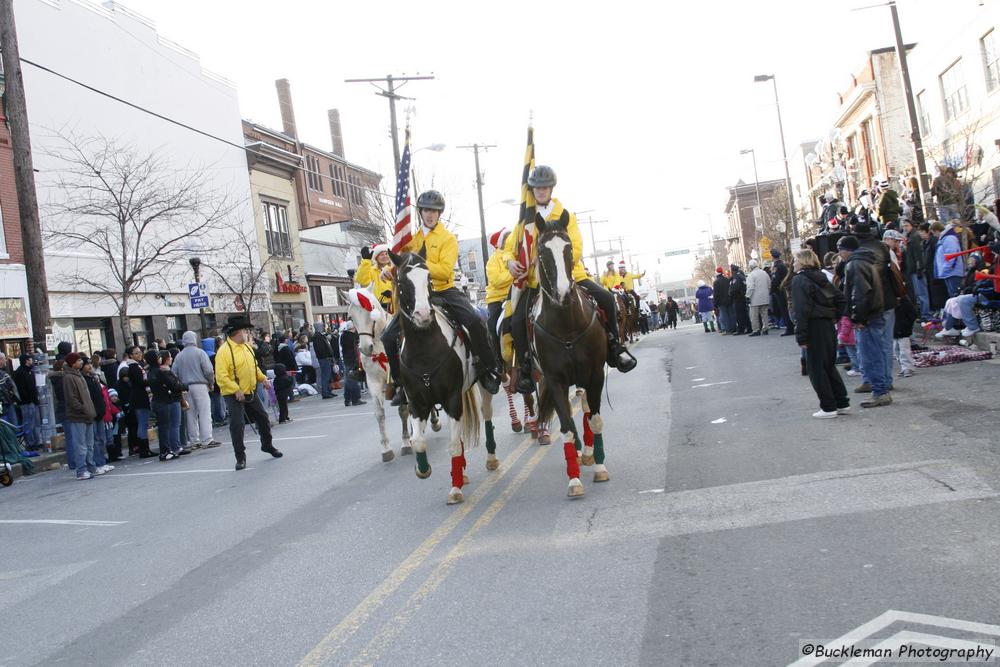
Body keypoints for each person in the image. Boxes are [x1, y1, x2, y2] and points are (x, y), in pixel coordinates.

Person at [503, 169, 636, 394]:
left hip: (571, 275)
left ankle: (615, 346)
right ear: (532, 190)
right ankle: (525, 366)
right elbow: (509, 249)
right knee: (516, 319)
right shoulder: (525, 220)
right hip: (537, 283)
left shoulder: (566, 214)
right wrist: (509, 262)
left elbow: (576, 245)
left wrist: (556, 262)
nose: (541, 191)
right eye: (537, 187)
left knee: (606, 299)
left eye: (545, 187)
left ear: (551, 189)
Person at [215, 314, 283, 471]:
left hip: (249, 390)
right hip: (234, 394)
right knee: (237, 425)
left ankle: (267, 445)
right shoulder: (224, 351)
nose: (247, 333)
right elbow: (221, 376)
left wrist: (262, 379)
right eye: (246, 331)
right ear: (238, 332)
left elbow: (253, 367)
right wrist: (235, 389)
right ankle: (240, 457)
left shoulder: (247, 347)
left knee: (263, 418)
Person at [791, 249, 849, 418]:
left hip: (813, 326)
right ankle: (841, 402)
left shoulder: (800, 280)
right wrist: (833, 316)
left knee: (816, 369)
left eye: (795, 260)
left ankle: (828, 406)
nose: (793, 264)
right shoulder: (820, 277)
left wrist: (801, 335)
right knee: (829, 365)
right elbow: (840, 299)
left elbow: (801, 310)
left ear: (802, 262)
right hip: (827, 325)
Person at [839, 235, 892, 408]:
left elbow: (861, 293)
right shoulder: (866, 261)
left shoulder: (855, 264)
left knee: (870, 355)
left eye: (840, 250)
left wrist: (858, 318)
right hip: (874, 314)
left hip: (868, 317)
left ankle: (880, 392)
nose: (839, 254)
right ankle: (880, 388)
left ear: (846, 250)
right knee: (875, 353)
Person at [173, 331, 220, 449]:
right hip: (200, 384)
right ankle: (207, 439)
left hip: (185, 387)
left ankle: (194, 440)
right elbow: (209, 370)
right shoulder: (200, 353)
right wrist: (211, 382)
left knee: (190, 414)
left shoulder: (179, 356)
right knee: (204, 412)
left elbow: (174, 372)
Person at [62, 353, 99, 480]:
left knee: (89, 444)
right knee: (80, 445)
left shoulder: (79, 375)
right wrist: (83, 409)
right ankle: (81, 470)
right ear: (72, 363)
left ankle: (91, 466)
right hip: (78, 416)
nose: (81, 362)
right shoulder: (68, 377)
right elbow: (72, 399)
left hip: (87, 414)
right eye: (78, 360)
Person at [147, 350, 188, 461]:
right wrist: (184, 386)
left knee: (164, 427)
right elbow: (172, 385)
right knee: (165, 427)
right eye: (158, 357)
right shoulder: (159, 372)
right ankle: (165, 451)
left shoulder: (150, 371)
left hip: (157, 400)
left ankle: (166, 450)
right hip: (163, 401)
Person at [485, 228, 514, 371]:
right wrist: (514, 273)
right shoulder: (492, 260)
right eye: (507, 239)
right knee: (492, 326)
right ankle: (498, 363)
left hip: (515, 295)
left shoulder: (515, 256)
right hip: (497, 299)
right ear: (501, 242)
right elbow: (496, 280)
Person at [902, 220, 930, 319]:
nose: (905, 228)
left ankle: (925, 314)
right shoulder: (911, 237)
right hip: (913, 269)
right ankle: (923, 313)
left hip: (916, 270)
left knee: (922, 293)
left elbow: (918, 255)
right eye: (904, 226)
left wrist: (919, 268)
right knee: (920, 294)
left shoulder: (914, 237)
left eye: (907, 225)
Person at [13, 354, 40, 450]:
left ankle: (37, 441)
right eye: (30, 359)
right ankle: (30, 443)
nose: (32, 361)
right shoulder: (20, 372)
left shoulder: (30, 371)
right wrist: (28, 399)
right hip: (26, 402)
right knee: (28, 423)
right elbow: (21, 389)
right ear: (26, 361)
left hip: (33, 401)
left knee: (36, 423)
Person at [932, 220, 965, 298]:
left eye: (933, 233)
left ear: (937, 231)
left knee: (955, 296)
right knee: (952, 297)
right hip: (948, 273)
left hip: (953, 273)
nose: (934, 236)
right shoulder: (943, 239)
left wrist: (945, 269)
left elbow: (952, 256)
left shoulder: (949, 238)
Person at [339, 321, 365, 407]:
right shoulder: (350, 337)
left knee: (348, 380)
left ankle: (347, 399)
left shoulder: (344, 335)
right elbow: (354, 348)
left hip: (348, 359)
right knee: (353, 379)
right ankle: (355, 399)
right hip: (351, 360)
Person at [770, 249, 794, 335]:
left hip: (780, 290)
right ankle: (791, 326)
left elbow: (775, 279)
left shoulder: (777, 266)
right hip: (784, 289)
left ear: (772, 257)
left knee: (784, 309)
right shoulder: (783, 264)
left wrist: (771, 290)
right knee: (787, 308)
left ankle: (789, 328)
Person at [745, 259, 771, 336]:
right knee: (764, 314)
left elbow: (751, 287)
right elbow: (769, 284)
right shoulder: (764, 273)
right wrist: (767, 293)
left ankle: (756, 330)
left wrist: (747, 296)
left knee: (754, 316)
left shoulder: (751, 275)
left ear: (750, 267)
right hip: (765, 297)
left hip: (755, 298)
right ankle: (765, 328)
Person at [312, 322, 337, 399]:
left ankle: (328, 390)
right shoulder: (317, 336)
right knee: (325, 375)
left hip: (326, 358)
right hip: (324, 358)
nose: (323, 327)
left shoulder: (320, 335)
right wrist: (326, 355)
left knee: (328, 375)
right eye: (322, 326)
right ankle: (325, 392)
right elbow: (320, 349)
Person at [729, 264, 750, 334]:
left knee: (739, 314)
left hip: (738, 297)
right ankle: (749, 327)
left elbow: (735, 288)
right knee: (744, 313)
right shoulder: (741, 275)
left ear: (732, 270)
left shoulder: (736, 277)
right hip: (743, 296)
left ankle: (741, 329)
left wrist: (731, 293)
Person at [712, 267, 731, 334]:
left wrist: (715, 303)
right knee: (730, 314)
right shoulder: (727, 280)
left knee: (724, 316)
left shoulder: (716, 282)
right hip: (729, 300)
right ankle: (733, 328)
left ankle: (727, 329)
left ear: (717, 273)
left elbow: (715, 294)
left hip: (721, 302)